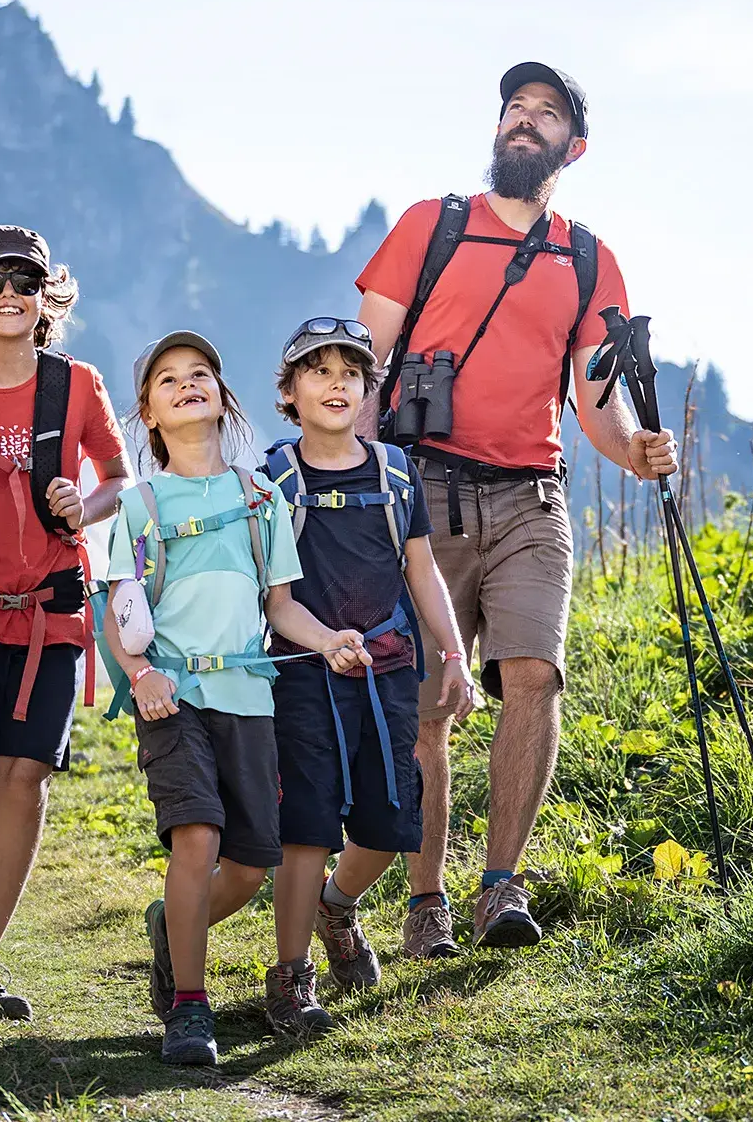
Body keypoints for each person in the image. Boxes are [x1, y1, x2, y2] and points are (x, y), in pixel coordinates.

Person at [349, 63, 678, 956]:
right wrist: (354, 487)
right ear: (498, 130)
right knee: (426, 707)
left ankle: (501, 885)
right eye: (513, 110)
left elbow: (595, 397)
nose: (523, 123)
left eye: (545, 114)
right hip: (424, 493)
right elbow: (361, 368)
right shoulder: (432, 226)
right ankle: (426, 903)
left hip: (532, 495)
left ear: (574, 145)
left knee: (533, 677)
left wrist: (635, 452)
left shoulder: (587, 258)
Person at [99, 330, 372, 1067]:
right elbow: (118, 608)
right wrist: (141, 675)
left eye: (201, 375)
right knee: (197, 839)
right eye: (167, 380)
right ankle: (190, 1006)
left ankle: (171, 929)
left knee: (249, 867)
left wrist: (326, 640)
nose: (187, 384)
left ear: (223, 398)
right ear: (149, 415)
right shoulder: (141, 504)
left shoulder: (261, 499)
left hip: (249, 695)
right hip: (172, 698)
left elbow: (281, 606)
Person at [0, 225, 132, 1021]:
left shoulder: (76, 384)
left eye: (26, 282)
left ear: (47, 299)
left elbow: (115, 476)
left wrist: (89, 504)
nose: (10, 294)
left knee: (23, 779)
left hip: (53, 606)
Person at [263, 319, 473, 1035]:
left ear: (368, 390)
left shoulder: (393, 470)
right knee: (307, 829)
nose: (337, 384)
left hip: (388, 673)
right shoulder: (274, 479)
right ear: (289, 392)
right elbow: (275, 601)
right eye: (317, 372)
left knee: (390, 823)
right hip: (302, 675)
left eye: (351, 373)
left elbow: (422, 571)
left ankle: (335, 906)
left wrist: (454, 654)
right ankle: (291, 979)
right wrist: (326, 644)